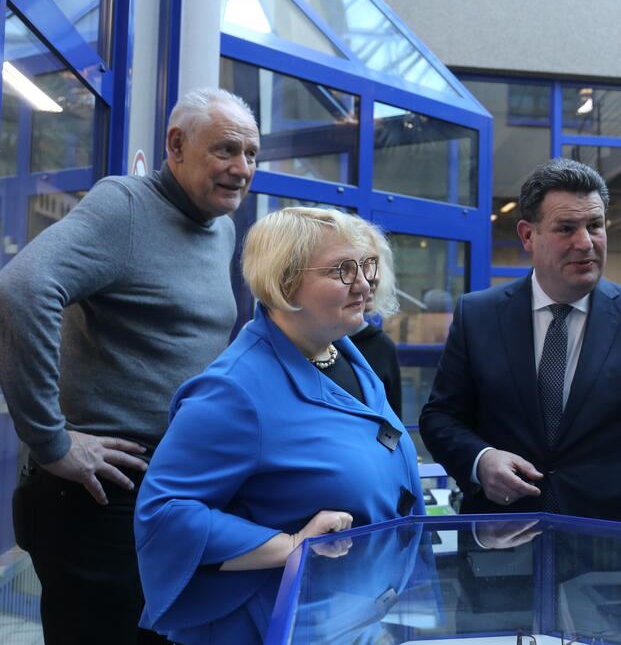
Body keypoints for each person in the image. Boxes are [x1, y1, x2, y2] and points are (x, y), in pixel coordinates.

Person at [0, 88, 259, 644]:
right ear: (176, 145)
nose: (242, 169)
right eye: (227, 151)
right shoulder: (125, 205)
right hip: (101, 496)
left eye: (253, 155)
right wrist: (52, 442)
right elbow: (24, 288)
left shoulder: (220, 228)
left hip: (173, 486)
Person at [134, 207, 424, 644]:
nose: (364, 284)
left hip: (350, 619)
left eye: (367, 266)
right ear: (285, 282)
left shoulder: (344, 353)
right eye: (343, 270)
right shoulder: (234, 390)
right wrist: (289, 546)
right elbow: (164, 515)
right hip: (278, 626)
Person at [420, 158, 621, 537]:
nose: (585, 243)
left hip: (611, 546)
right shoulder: (479, 315)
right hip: (503, 541)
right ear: (528, 236)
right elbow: (440, 417)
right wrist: (480, 461)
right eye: (566, 228)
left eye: (595, 226)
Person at [347, 216, 402, 417]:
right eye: (349, 267)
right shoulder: (303, 344)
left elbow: (392, 431)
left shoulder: (381, 347)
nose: (372, 277)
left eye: (372, 262)